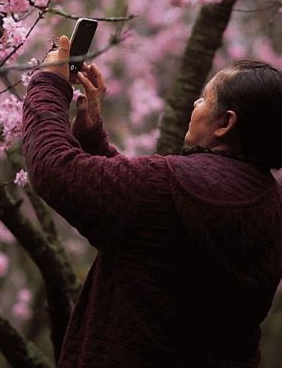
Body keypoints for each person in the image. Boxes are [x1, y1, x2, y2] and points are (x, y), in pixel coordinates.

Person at [21, 34, 282, 367]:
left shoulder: (169, 185)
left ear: (225, 123)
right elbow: (151, 232)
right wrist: (91, 138)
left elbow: (54, 169)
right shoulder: (271, 203)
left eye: (204, 99)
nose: (194, 105)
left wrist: (47, 84)